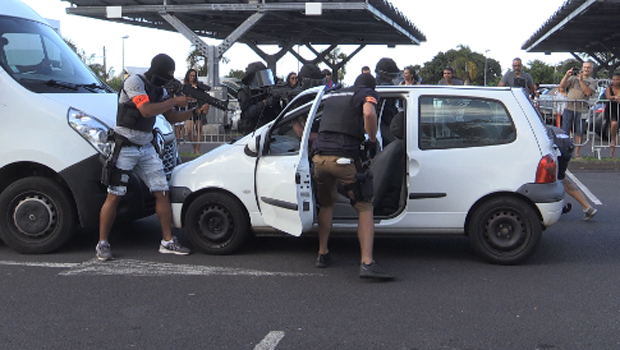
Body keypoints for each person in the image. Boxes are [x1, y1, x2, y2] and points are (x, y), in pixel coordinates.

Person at [96, 53, 211, 261]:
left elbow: (173, 117)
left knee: (162, 191)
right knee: (115, 194)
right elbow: (146, 110)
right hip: (125, 145)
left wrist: (195, 112)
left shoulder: (161, 90)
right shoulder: (134, 82)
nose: (168, 79)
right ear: (157, 71)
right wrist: (174, 100)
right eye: (167, 74)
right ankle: (102, 243)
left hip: (146, 145)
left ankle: (167, 241)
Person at [311, 72, 394, 281]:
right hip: (344, 159)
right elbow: (368, 114)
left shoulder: (334, 94)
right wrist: (373, 139)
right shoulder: (366, 93)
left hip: (319, 159)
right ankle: (367, 263)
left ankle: (322, 253)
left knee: (327, 204)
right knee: (365, 205)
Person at [548, 125, 598, 220]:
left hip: (556, 142)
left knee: (546, 178)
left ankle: (553, 207)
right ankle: (587, 207)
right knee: (560, 177)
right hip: (566, 141)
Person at [559, 61, 597, 158]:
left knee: (579, 131)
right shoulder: (573, 78)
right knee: (565, 130)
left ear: (591, 69)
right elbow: (562, 86)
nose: (586, 69)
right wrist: (567, 75)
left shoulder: (592, 81)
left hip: (581, 109)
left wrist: (581, 81)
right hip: (569, 107)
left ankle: (577, 153)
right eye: (585, 67)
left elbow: (587, 92)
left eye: (588, 67)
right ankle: (564, 152)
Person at [237, 62, 281, 135]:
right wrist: (264, 103)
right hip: (251, 131)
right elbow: (247, 113)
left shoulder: (268, 88)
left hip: (269, 128)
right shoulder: (244, 91)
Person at [183, 68, 211, 154]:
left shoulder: (199, 85)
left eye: (194, 76)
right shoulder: (185, 86)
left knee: (199, 128)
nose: (192, 77)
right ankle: (194, 147)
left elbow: (205, 95)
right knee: (189, 130)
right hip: (189, 108)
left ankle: (197, 150)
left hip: (199, 107)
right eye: (191, 75)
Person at [604, 72, 620, 157]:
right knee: (614, 124)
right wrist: (615, 97)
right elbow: (608, 96)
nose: (615, 81)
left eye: (617, 79)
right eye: (614, 79)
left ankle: (612, 153)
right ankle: (612, 141)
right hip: (612, 109)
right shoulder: (609, 88)